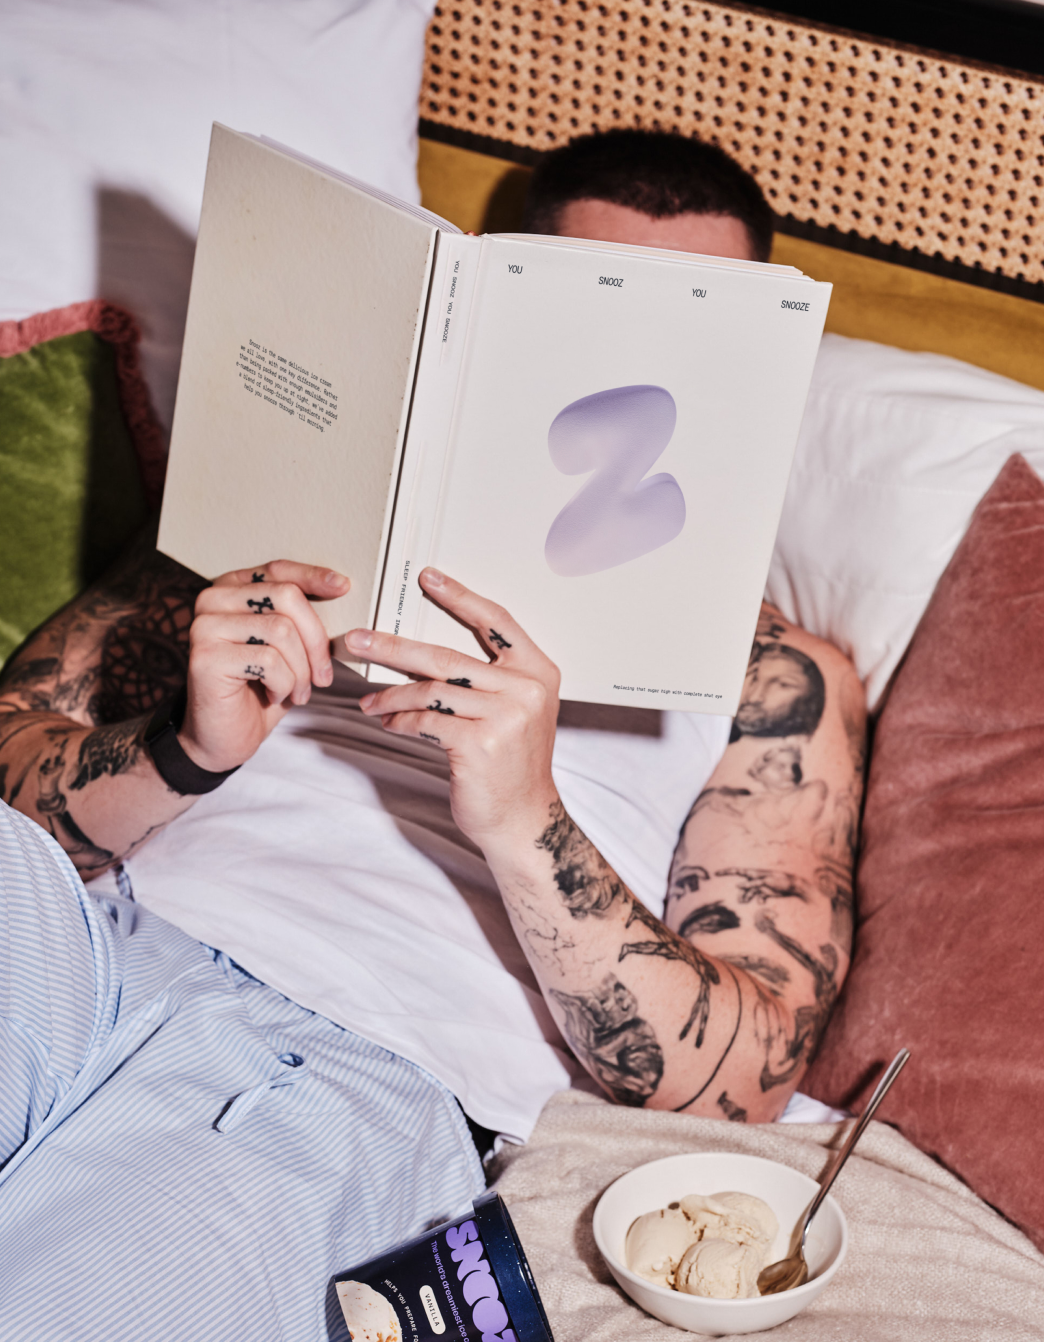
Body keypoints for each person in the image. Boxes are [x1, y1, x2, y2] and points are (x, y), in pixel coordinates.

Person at [0, 129, 864, 1336]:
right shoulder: (299, 518)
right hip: (93, 938)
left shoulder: (776, 673)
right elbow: (17, 755)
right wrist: (183, 749)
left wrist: (526, 820)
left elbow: (741, 1081)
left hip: (346, 1064)